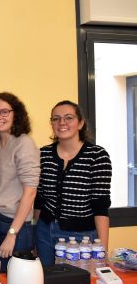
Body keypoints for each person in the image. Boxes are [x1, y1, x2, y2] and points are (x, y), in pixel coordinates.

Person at [34, 100, 112, 266]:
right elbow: (39, 199)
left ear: (81, 123)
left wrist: (102, 251)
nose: (62, 122)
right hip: (44, 232)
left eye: (68, 118)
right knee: (45, 279)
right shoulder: (43, 155)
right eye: (56, 118)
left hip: (80, 239)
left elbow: (101, 206)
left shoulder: (97, 156)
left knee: (75, 281)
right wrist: (35, 235)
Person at [0, 92, 40, 272]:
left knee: (13, 280)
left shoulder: (24, 143)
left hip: (13, 224)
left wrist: (12, 234)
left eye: (4, 111)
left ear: (16, 114)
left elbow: (30, 192)